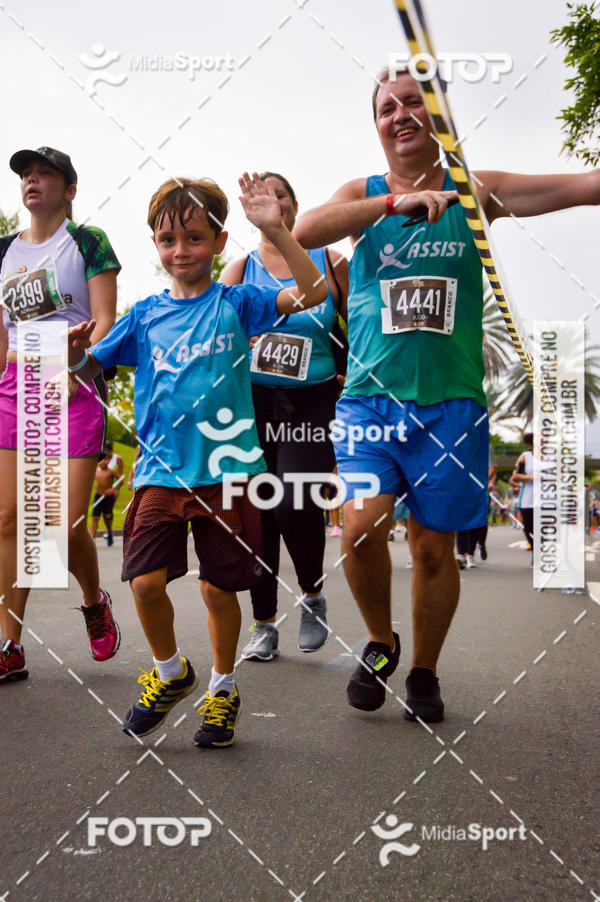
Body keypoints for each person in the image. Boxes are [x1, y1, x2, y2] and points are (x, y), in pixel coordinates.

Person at [294, 66, 600, 722]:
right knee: (357, 526)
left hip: (452, 406)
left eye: (414, 103)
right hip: (369, 402)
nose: (401, 115)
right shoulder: (363, 194)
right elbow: (304, 232)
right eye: (387, 108)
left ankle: (425, 672)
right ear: (376, 125)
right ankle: (380, 640)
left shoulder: (474, 190)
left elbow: (581, 185)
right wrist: (389, 206)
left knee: (434, 547)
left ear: (438, 115)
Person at [66, 172, 328, 747]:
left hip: (230, 473)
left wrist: (278, 231)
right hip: (162, 470)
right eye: (167, 240)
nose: (180, 251)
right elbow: (88, 372)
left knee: (217, 589)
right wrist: (74, 354)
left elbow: (314, 293)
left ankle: (222, 687)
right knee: (143, 583)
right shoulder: (143, 315)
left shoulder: (238, 302)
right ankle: (170, 673)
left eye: (193, 238)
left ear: (219, 241)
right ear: (155, 247)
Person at [0, 146, 121, 683]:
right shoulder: (3, 250)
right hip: (14, 389)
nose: (32, 181)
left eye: (45, 173)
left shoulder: (88, 242)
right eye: (26, 174)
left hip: (72, 386)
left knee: (62, 523)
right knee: (9, 519)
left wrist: (72, 358)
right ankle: (9, 644)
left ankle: (94, 602)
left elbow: (104, 322)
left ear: (69, 189)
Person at [221, 172, 348, 662]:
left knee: (295, 499)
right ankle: (264, 623)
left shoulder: (331, 263)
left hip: (314, 401)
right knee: (258, 512)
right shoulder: (240, 269)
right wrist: (241, 342)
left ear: (295, 207)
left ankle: (312, 595)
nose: (271, 203)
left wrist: (351, 377)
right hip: (253, 402)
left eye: (280, 195)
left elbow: (359, 325)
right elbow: (219, 328)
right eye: (262, 197)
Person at [456, 445, 496, 568]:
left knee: (478, 521)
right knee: (462, 520)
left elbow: (492, 468)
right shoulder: (457, 443)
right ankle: (462, 554)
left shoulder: (485, 445)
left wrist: (483, 480)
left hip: (479, 487)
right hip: (462, 487)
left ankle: (475, 549)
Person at [512, 433, 534, 560]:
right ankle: (535, 550)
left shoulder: (552, 457)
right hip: (528, 498)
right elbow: (515, 475)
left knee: (543, 527)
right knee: (529, 527)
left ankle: (540, 553)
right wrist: (531, 477)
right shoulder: (525, 457)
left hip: (547, 499)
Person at [91, 451, 120, 546]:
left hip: (108, 497)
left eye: (105, 459)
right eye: (101, 460)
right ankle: (92, 538)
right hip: (98, 496)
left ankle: (109, 532)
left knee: (107, 518)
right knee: (95, 517)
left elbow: (120, 480)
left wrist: (113, 489)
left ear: (109, 461)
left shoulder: (111, 472)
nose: (103, 462)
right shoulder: (95, 471)